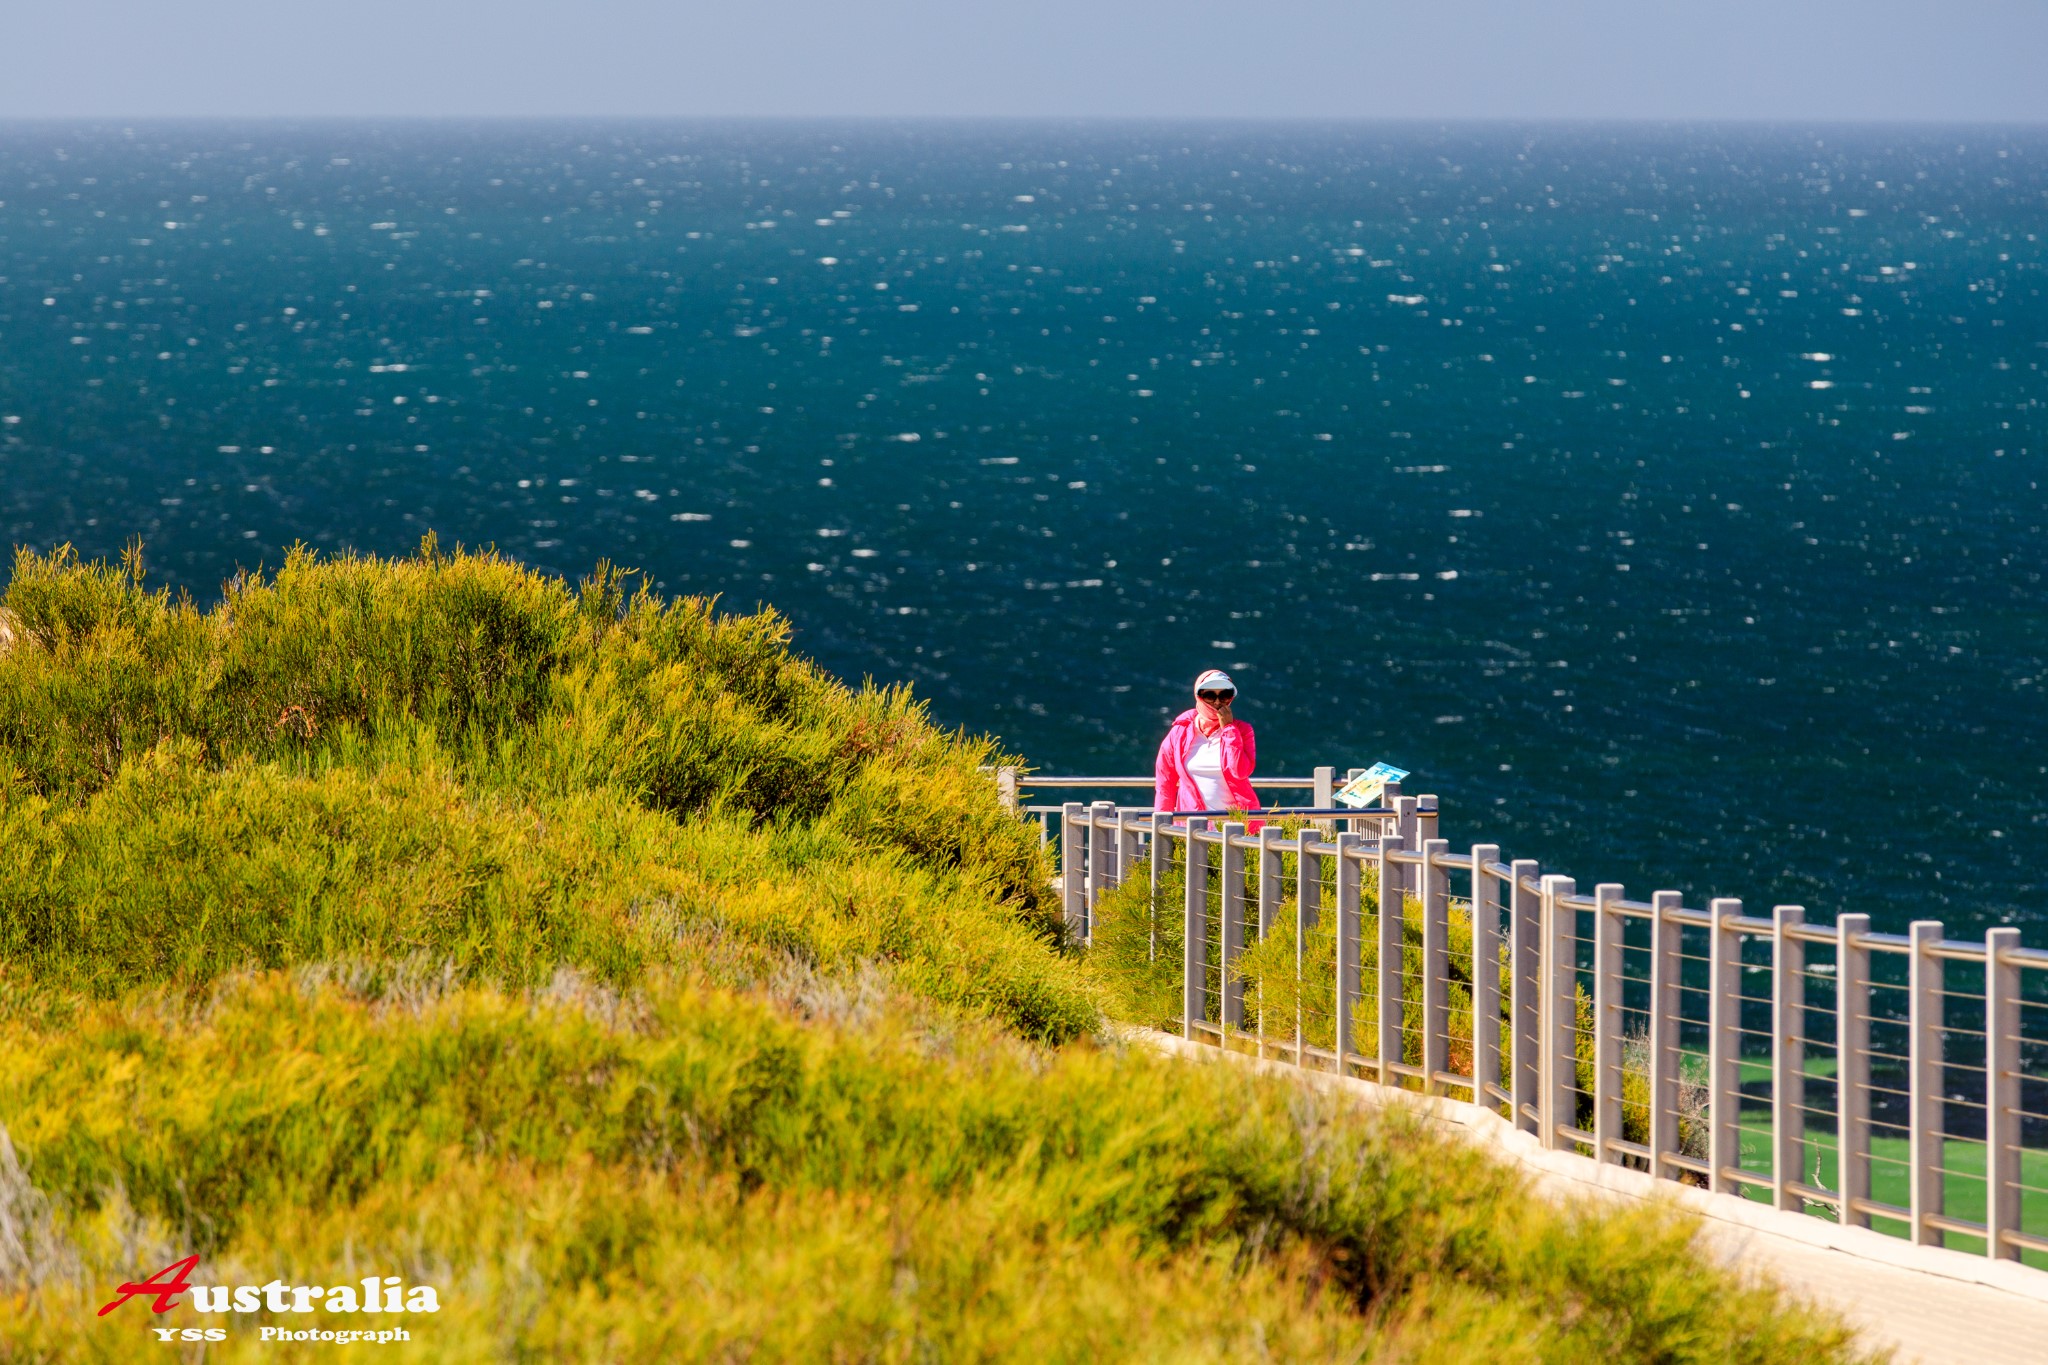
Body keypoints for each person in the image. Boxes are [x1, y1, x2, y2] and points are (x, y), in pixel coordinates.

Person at [1153, 668, 1260, 819]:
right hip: (1193, 826)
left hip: (1238, 826)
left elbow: (1240, 771)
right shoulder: (1179, 733)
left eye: (1224, 695)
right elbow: (1165, 784)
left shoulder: (1242, 731)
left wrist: (1229, 729)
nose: (1217, 702)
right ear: (1199, 696)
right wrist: (1162, 825)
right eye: (1210, 696)